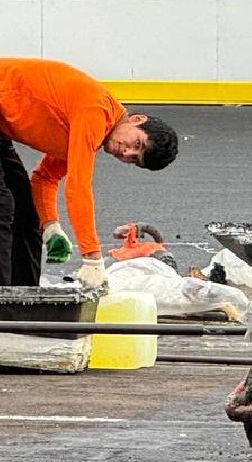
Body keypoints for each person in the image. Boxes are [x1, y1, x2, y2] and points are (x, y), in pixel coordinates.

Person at [0, 57, 178, 289]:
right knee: (2, 205)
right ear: (136, 120)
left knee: (26, 210)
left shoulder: (92, 132)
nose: (127, 151)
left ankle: (23, 303)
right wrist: (92, 257)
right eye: (137, 143)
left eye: (134, 158)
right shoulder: (95, 111)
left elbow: (45, 178)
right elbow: (78, 186)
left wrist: (50, 227)